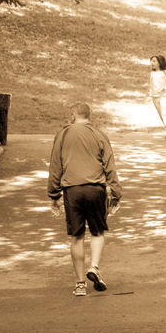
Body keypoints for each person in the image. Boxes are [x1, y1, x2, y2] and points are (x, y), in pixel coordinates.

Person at [48, 102, 123, 297]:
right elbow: (110, 165)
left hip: (72, 190)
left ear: (73, 115)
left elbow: (56, 165)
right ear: (89, 116)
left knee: (77, 237)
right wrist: (115, 192)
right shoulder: (99, 135)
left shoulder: (63, 134)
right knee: (98, 232)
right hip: (95, 189)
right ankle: (95, 267)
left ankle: (80, 284)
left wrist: (53, 194)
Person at [149, 55, 166, 139]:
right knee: (161, 114)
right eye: (151, 61)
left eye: (154, 61)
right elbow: (151, 84)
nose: (152, 63)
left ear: (159, 63)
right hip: (154, 96)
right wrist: (150, 93)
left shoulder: (165, 72)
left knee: (164, 112)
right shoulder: (152, 73)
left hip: (163, 96)